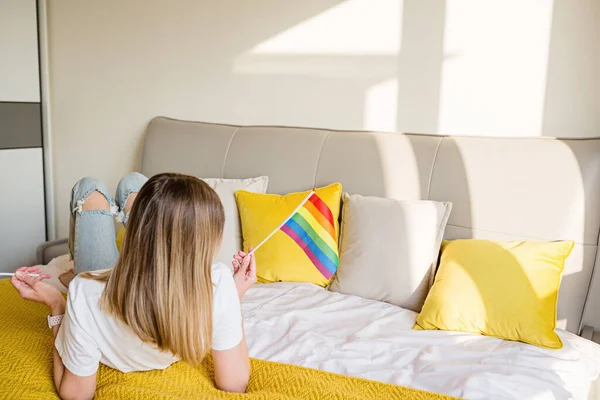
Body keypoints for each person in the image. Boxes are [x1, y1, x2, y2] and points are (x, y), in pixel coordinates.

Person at [11, 172, 256, 399]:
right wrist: (234, 298)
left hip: (107, 281)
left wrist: (57, 305)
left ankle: (105, 249)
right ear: (207, 238)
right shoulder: (218, 282)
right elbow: (234, 384)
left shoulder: (83, 292)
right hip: (115, 281)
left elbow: (76, 395)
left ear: (139, 229)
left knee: (90, 188)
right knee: (134, 182)